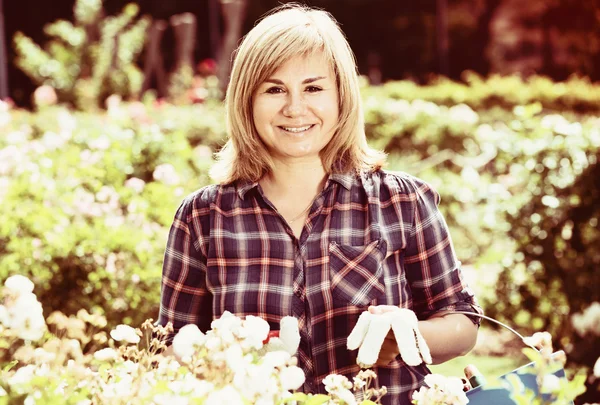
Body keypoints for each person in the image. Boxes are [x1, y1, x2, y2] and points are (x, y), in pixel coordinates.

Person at [158, 4, 482, 404]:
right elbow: (169, 344)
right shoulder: (203, 218)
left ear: (341, 97)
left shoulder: (403, 202)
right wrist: (221, 358)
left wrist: (408, 333)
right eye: (274, 89)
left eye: (313, 88)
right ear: (247, 100)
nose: (295, 108)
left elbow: (462, 322)